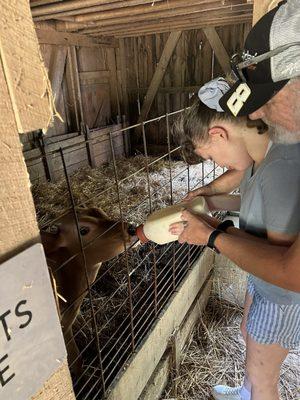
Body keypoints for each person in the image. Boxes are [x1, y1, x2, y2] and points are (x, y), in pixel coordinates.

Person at [171, 87, 300, 400]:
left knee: (264, 377)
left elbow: (283, 266)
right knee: (246, 333)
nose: (218, 165)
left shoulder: (281, 169)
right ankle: (244, 393)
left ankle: (254, 392)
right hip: (264, 283)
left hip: (281, 297)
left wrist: (211, 235)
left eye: (212, 157)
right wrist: (212, 205)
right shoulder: (261, 158)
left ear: (218, 134)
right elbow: (259, 204)